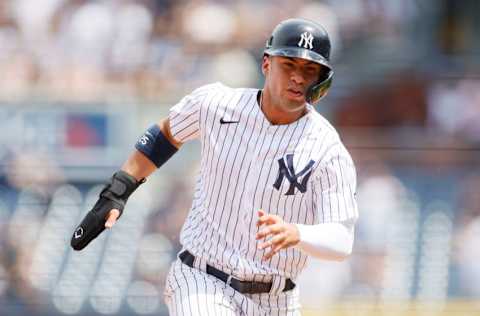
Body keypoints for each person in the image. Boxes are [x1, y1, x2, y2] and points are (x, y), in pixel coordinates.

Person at [71, 18, 358, 315]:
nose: (298, 77)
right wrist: (119, 189)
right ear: (266, 64)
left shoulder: (327, 150)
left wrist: (299, 233)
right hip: (202, 279)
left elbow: (341, 239)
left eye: (309, 70)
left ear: (322, 80)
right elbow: (166, 135)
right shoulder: (217, 105)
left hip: (278, 299)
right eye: (289, 65)